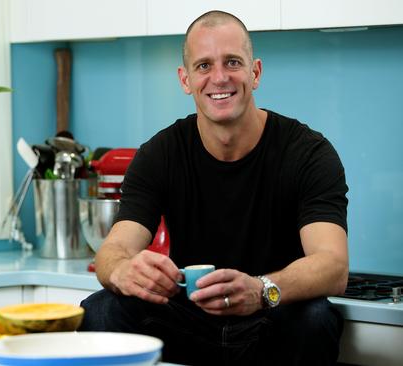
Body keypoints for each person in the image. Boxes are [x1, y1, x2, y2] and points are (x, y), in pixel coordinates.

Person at [78, 10, 349, 366]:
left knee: (315, 318)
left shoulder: (309, 153)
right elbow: (112, 251)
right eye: (204, 66)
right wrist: (122, 271)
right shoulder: (160, 153)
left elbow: (333, 266)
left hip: (272, 316)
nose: (219, 78)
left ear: (255, 73)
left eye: (232, 62)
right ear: (185, 79)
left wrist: (261, 289)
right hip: (186, 322)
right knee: (100, 309)